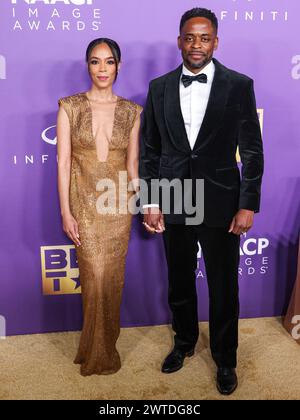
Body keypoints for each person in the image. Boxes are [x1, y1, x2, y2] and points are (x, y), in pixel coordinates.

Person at [140, 8, 264, 395]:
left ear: (215, 41)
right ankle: (184, 343)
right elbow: (149, 151)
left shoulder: (239, 85)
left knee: (224, 287)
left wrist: (248, 204)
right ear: (180, 41)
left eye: (204, 37)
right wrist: (151, 200)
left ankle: (226, 359)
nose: (197, 45)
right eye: (190, 38)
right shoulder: (158, 87)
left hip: (222, 202)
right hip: (175, 198)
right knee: (179, 282)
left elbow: (253, 152)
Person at [57, 38, 142, 376]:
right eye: (95, 62)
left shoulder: (133, 111)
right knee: (94, 278)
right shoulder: (69, 106)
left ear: (118, 65)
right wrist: (66, 211)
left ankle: (104, 345)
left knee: (113, 281)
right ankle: (94, 351)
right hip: (84, 207)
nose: (102, 69)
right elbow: (64, 163)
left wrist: (146, 205)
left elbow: (133, 166)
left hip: (119, 208)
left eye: (109, 62)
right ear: (88, 66)